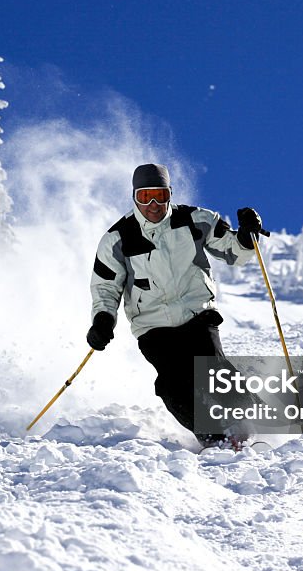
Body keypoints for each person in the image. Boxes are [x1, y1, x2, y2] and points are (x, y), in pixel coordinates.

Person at [86, 163, 264, 448]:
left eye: (160, 195)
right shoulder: (117, 238)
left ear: (170, 194)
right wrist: (103, 319)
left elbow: (233, 251)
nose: (154, 205)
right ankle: (213, 438)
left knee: (210, 367)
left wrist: (245, 236)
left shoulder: (195, 219)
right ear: (134, 197)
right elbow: (106, 286)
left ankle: (248, 422)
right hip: (153, 326)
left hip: (197, 312)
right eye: (145, 197)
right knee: (172, 385)